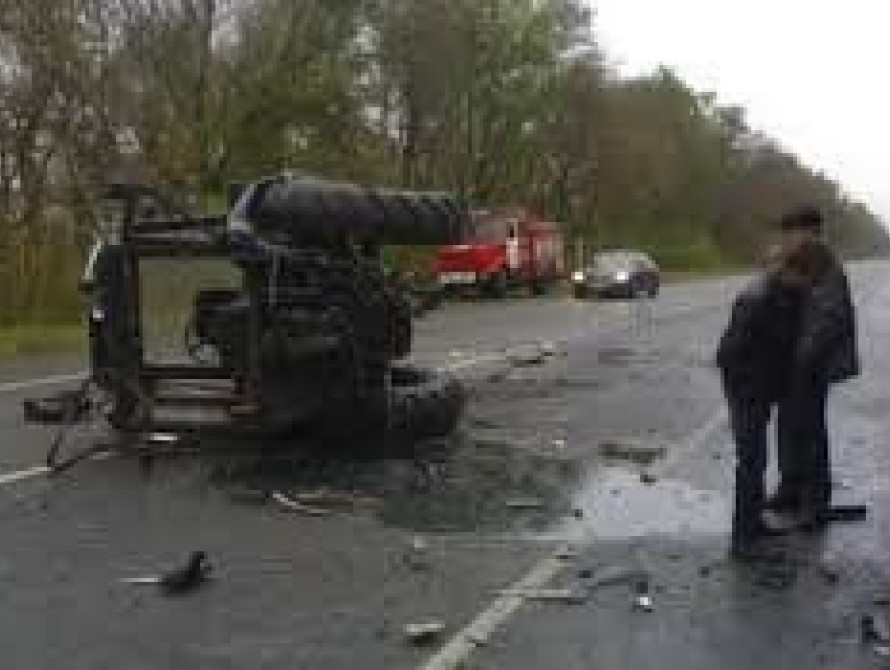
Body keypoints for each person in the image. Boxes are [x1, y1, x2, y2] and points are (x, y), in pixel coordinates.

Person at [717, 242, 816, 557]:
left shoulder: (791, 294)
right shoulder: (755, 299)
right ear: (789, 271)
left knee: (758, 460)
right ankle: (742, 539)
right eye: (806, 277)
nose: (809, 284)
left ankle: (754, 522)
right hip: (746, 389)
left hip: (763, 387)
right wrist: (754, 391)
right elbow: (730, 354)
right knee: (751, 461)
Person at [768, 206, 860, 529]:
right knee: (788, 428)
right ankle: (790, 490)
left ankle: (815, 503)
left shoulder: (827, 266)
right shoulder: (796, 262)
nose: (786, 239)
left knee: (810, 433)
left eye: (792, 233)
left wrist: (804, 357)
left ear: (810, 233)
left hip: (810, 366)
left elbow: (831, 319)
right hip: (791, 364)